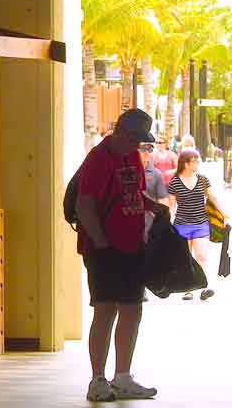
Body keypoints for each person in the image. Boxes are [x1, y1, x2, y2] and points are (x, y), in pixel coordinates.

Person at [76, 108, 168, 402]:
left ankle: (123, 376)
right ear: (119, 132)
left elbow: (134, 193)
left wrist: (155, 207)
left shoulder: (131, 156)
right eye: (133, 139)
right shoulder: (99, 159)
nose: (136, 145)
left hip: (131, 246)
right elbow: (85, 204)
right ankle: (98, 380)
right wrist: (101, 243)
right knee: (105, 309)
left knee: (131, 308)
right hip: (104, 249)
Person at [167, 148, 226, 302]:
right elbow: (172, 205)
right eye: (196, 161)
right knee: (187, 258)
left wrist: (224, 213)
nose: (198, 163)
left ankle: (205, 287)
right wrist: (168, 221)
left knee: (202, 256)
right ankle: (188, 289)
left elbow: (212, 197)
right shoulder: (175, 182)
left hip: (201, 223)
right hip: (182, 225)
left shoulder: (203, 179)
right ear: (186, 163)